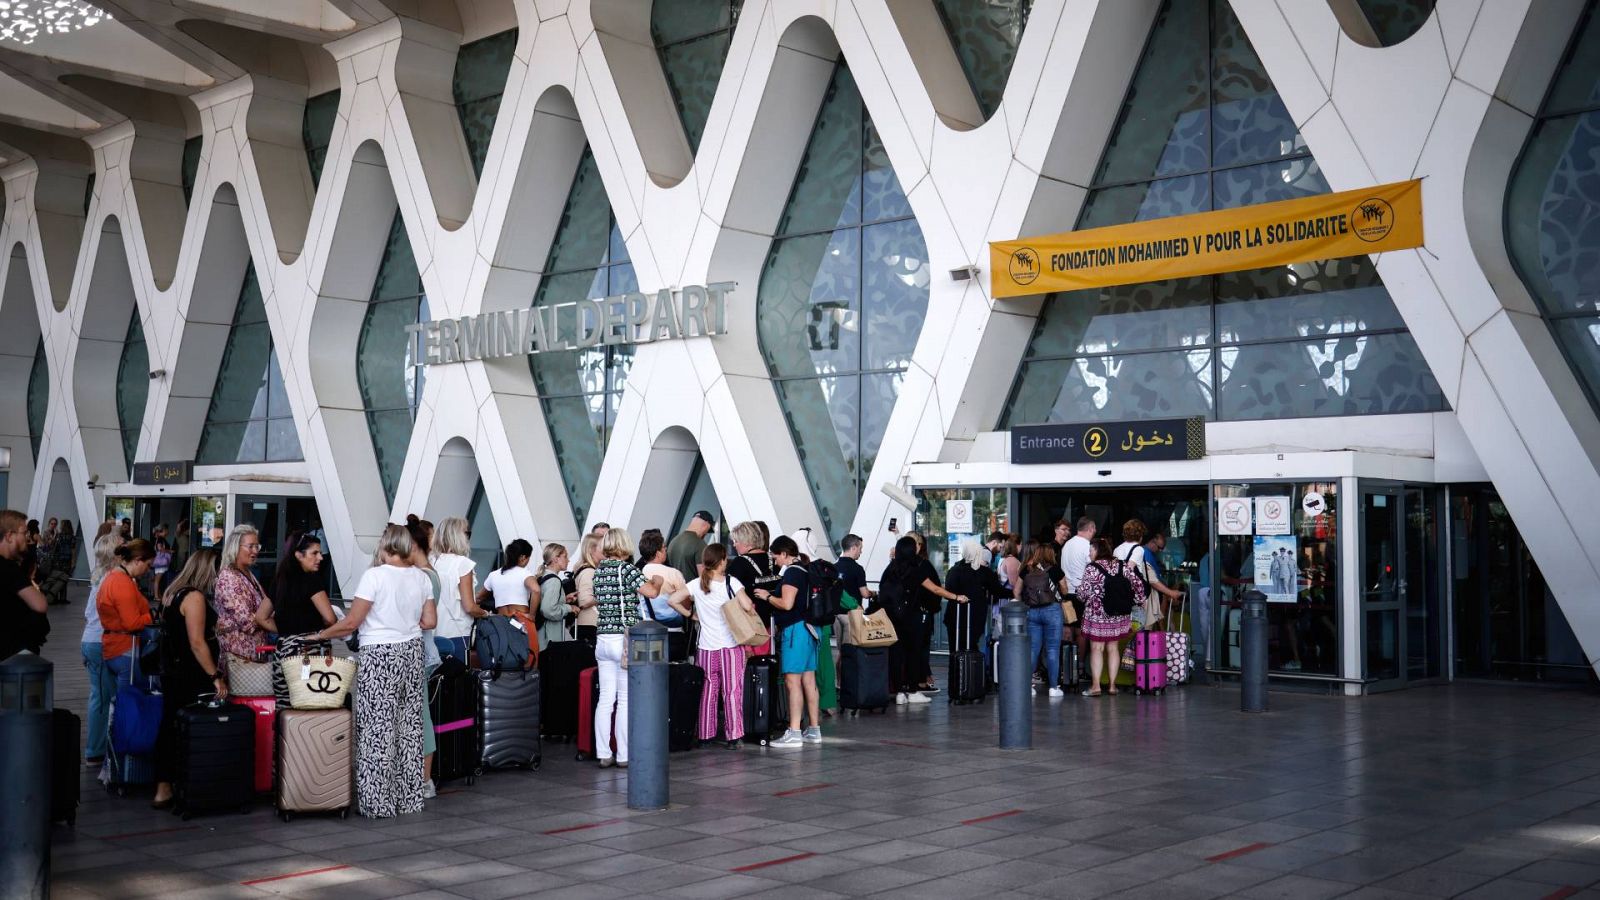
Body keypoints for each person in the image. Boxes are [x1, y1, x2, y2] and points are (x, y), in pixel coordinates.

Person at [312, 524, 436, 817]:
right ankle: (408, 799)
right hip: (411, 653)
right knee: (408, 727)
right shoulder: (421, 578)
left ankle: (378, 802)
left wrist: (321, 635)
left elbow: (352, 622)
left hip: (380, 654)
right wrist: (406, 624)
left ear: (386, 545)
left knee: (376, 727)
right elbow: (430, 620)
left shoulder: (374, 576)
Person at [150, 549, 225, 809]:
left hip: (171, 669)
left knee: (170, 724)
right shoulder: (194, 597)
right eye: (217, 571)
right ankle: (177, 783)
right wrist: (215, 676)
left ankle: (164, 786)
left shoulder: (172, 592)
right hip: (190, 672)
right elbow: (196, 642)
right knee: (185, 727)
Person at [591, 527, 664, 767]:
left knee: (605, 699)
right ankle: (623, 755)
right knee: (624, 699)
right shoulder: (628, 569)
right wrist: (658, 580)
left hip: (602, 639)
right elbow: (651, 592)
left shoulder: (599, 571)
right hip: (624, 639)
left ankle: (603, 753)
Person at [876, 536, 964, 704]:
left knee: (897, 654)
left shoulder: (890, 568)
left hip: (893, 617)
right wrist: (956, 597)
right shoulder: (916, 569)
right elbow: (936, 589)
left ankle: (900, 692)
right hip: (913, 617)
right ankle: (914, 690)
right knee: (914, 654)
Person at [254, 531, 336, 708]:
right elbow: (330, 618)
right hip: (308, 651)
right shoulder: (311, 580)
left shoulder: (279, 580)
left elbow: (261, 617)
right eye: (314, 553)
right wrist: (310, 628)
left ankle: (285, 737)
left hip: (282, 651)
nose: (320, 557)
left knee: (285, 706)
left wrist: (287, 628)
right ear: (298, 555)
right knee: (310, 705)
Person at [753, 535, 820, 748]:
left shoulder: (791, 572)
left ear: (784, 553)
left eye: (775, 556)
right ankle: (814, 729)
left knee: (793, 682)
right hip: (811, 629)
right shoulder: (806, 570)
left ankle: (794, 732)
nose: (774, 560)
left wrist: (767, 597)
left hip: (796, 631)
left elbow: (787, 604)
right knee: (809, 680)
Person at [689, 543, 754, 748]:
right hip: (730, 646)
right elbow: (747, 605)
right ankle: (733, 735)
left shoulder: (696, 584)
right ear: (722, 560)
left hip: (706, 648)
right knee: (732, 690)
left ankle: (705, 735)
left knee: (708, 690)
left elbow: (673, 599)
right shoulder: (731, 582)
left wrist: (692, 615)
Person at [1078, 524, 1150, 696]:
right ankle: (1112, 686)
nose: (1089, 554)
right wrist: (1139, 601)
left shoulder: (1091, 568)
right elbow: (1138, 584)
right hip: (1119, 614)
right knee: (1113, 648)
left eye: (1091, 550)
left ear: (1097, 550)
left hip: (1097, 615)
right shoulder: (1122, 566)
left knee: (1097, 648)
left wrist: (1082, 596)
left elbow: (1083, 592)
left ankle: (1095, 687)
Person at [405, 518, 444, 799]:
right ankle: (417, 776)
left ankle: (425, 779)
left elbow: (424, 620)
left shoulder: (426, 577)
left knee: (420, 715)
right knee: (417, 714)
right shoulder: (421, 574)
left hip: (420, 653)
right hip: (419, 652)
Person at [79, 531, 122, 766]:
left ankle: (99, 747)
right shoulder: (112, 580)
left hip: (90, 641)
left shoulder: (98, 578)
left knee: (101, 695)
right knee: (102, 697)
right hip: (100, 642)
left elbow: (87, 614)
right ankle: (95, 750)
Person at [98, 539, 158, 691]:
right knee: (129, 701)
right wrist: (153, 616)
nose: (148, 570)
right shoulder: (122, 583)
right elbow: (131, 624)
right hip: (124, 649)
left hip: (113, 646)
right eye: (148, 565)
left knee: (117, 700)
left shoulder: (113, 577)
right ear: (138, 561)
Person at [214, 525, 269, 677]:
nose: (255, 551)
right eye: (250, 546)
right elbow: (247, 621)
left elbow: (264, 606)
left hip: (254, 656)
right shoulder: (229, 578)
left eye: (257, 546)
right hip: (239, 658)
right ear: (235, 547)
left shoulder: (247, 573)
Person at [429, 516, 484, 663]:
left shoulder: (431, 561)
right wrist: (486, 614)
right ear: (459, 537)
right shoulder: (463, 564)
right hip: (457, 633)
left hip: (431, 634)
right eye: (467, 534)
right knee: (458, 683)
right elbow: (469, 607)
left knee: (435, 682)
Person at [1018, 544, 1070, 697]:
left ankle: (1028, 686)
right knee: (1052, 649)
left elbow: (1016, 591)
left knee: (1033, 649)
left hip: (1032, 612)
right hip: (1052, 610)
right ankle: (1054, 688)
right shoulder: (1054, 569)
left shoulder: (1026, 569)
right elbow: (1065, 589)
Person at [0, 509, 50, 661]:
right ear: (9, 536)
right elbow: (40, 604)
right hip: (13, 656)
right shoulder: (8, 569)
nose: (27, 538)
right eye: (23, 532)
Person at [944, 538, 1000, 660]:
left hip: (955, 616)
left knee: (955, 651)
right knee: (971, 648)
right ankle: (972, 676)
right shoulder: (984, 572)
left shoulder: (955, 570)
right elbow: (997, 590)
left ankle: (956, 676)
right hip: (975, 617)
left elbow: (948, 590)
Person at [905, 531, 941, 693]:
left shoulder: (900, 564)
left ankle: (912, 680)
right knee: (920, 647)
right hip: (921, 613)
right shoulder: (922, 565)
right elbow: (934, 588)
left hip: (906, 613)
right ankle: (919, 681)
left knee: (910, 647)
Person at [1062, 517, 1096, 677]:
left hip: (1067, 593)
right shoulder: (1087, 546)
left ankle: (1067, 666)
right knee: (1081, 632)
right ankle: (1080, 667)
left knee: (1068, 630)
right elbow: (1092, 569)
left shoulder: (1067, 544)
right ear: (1090, 529)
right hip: (1081, 594)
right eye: (1093, 530)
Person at [638, 529, 692, 627]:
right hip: (673, 625)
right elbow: (686, 605)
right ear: (658, 553)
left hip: (646, 623)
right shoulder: (673, 573)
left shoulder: (638, 572)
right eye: (663, 547)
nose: (666, 549)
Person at [727, 521, 777, 627]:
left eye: (736, 541)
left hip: (753, 622)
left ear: (746, 542)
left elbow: (729, 592)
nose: (734, 545)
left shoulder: (739, 562)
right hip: (776, 618)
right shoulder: (774, 559)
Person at [532, 542, 573, 650]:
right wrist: (570, 608)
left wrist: (564, 599)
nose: (568, 560)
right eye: (565, 556)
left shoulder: (543, 576)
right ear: (555, 559)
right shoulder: (554, 581)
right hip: (549, 638)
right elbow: (548, 610)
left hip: (540, 636)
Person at [479, 539, 535, 617]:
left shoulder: (494, 574)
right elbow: (536, 590)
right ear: (523, 557)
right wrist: (532, 615)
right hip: (520, 620)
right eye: (529, 558)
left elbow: (478, 598)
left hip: (501, 622)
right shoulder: (525, 573)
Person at [570, 534, 601, 646]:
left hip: (585, 623)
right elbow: (585, 600)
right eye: (602, 547)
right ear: (592, 550)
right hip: (590, 624)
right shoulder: (589, 572)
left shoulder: (583, 568)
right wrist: (605, 595)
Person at [667, 511, 715, 583]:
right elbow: (704, 578)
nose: (705, 534)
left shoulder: (673, 541)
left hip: (677, 591)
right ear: (706, 525)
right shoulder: (700, 544)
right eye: (707, 531)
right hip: (692, 592)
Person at [43, 520, 76, 605]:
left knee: (56, 578)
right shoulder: (72, 537)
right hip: (67, 560)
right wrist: (73, 562)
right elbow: (73, 551)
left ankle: (54, 597)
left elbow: (54, 547)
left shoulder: (59, 536)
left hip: (58, 560)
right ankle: (63, 598)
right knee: (64, 579)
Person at [835, 534, 874, 605]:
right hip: (852, 613)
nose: (861, 552)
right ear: (853, 548)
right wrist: (873, 593)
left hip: (835, 612)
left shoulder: (833, 567)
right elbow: (865, 594)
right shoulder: (858, 569)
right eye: (860, 548)